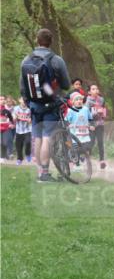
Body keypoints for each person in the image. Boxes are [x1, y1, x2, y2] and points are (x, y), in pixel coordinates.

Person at [20, 28, 72, 182]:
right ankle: (44, 173)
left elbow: (23, 86)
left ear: (37, 40)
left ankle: (40, 173)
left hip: (34, 105)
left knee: (37, 137)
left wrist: (29, 102)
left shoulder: (26, 60)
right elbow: (66, 84)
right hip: (51, 104)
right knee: (47, 137)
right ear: (51, 42)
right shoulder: (56, 60)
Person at [86, 83, 108, 169]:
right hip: (91, 125)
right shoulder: (88, 101)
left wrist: (103, 114)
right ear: (89, 92)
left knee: (100, 142)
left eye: (97, 89)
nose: (96, 90)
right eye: (93, 89)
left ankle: (102, 161)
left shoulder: (101, 100)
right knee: (91, 143)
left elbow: (104, 110)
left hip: (100, 124)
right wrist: (95, 112)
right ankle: (87, 158)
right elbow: (86, 114)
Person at [13, 97, 32, 164]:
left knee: (28, 142)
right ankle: (19, 159)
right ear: (19, 100)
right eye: (22, 100)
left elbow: (31, 119)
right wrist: (15, 118)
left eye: (25, 100)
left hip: (27, 129)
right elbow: (14, 118)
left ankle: (28, 154)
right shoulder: (16, 108)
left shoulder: (29, 109)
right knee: (18, 146)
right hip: (19, 130)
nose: (24, 101)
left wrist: (30, 120)